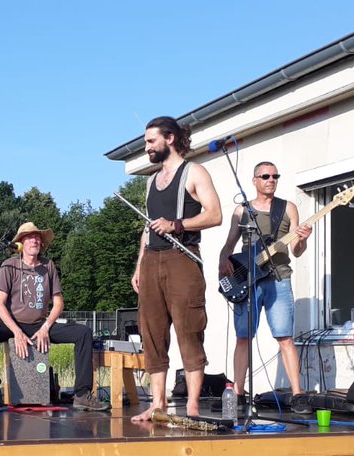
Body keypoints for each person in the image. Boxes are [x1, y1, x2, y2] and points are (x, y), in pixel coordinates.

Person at [131, 116, 222, 423]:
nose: (147, 148)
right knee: (152, 333)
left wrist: (177, 224)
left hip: (182, 258)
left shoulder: (194, 172)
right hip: (152, 261)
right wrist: (139, 265)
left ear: (169, 138)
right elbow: (147, 227)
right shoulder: (149, 181)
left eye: (150, 141)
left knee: (189, 329)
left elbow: (215, 214)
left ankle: (193, 407)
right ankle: (157, 404)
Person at [0, 222, 110, 411]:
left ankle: (81, 394)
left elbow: (59, 302)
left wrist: (46, 326)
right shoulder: (9, 266)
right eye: (30, 237)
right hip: (13, 324)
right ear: (21, 243)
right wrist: (17, 332)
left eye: (37, 237)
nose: (35, 240)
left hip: (40, 325)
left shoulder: (48, 266)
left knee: (83, 332)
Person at [218, 162, 311, 411]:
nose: (271, 179)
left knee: (285, 337)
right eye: (266, 176)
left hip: (279, 278)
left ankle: (298, 394)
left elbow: (297, 251)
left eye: (275, 176)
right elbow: (229, 243)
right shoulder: (242, 211)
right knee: (243, 337)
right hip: (248, 279)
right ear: (255, 180)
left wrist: (302, 240)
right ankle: (238, 394)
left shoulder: (288, 208)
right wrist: (223, 260)